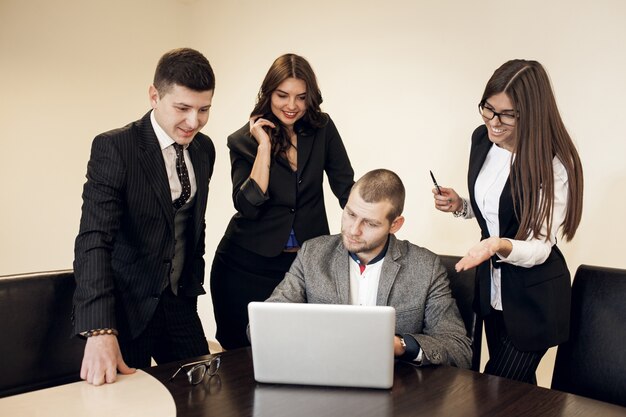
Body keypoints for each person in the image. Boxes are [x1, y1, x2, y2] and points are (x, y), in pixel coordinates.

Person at [433, 59, 584, 383]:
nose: (494, 122)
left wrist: (497, 245)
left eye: (507, 114)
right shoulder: (482, 140)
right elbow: (498, 209)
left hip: (535, 299)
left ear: (531, 113)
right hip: (492, 292)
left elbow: (540, 247)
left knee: (495, 388)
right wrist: (462, 205)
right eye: (488, 109)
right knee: (518, 395)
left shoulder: (553, 164)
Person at [73, 48, 217, 385]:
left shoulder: (204, 148)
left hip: (179, 302)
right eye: (182, 108)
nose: (193, 122)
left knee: (204, 394)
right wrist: (100, 329)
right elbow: (94, 239)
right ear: (154, 95)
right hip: (127, 307)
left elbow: (194, 223)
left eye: (204, 109)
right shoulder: (116, 148)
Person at [210, 53, 355, 350]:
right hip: (245, 266)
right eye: (282, 95)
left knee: (304, 350)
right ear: (268, 93)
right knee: (242, 358)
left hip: (304, 265)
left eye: (301, 97)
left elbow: (346, 187)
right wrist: (263, 146)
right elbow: (248, 205)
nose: (292, 106)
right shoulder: (242, 141)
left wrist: (372, 222)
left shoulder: (322, 129)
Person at [265, 169, 472, 368]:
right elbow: (263, 325)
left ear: (395, 225)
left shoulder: (426, 267)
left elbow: (458, 349)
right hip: (321, 377)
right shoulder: (313, 253)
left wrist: (399, 345)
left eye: (370, 224)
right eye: (351, 214)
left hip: (397, 391)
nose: (354, 230)